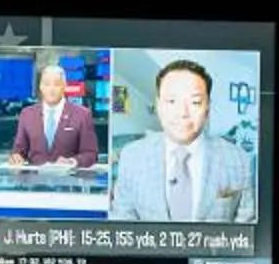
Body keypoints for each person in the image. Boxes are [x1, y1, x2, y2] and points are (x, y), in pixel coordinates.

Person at [109, 58, 257, 223]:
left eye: (195, 102)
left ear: (207, 107)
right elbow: (122, 222)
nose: (183, 113)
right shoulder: (132, 156)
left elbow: (247, 230)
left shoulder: (240, 159)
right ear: (159, 106)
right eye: (172, 101)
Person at [7, 60, 100, 170]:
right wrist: (16, 157)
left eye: (56, 84)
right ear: (41, 87)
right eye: (46, 84)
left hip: (69, 182)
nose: (51, 89)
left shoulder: (82, 114)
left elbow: (91, 154)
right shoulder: (27, 114)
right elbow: (19, 150)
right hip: (35, 182)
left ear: (64, 86)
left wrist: (73, 161)